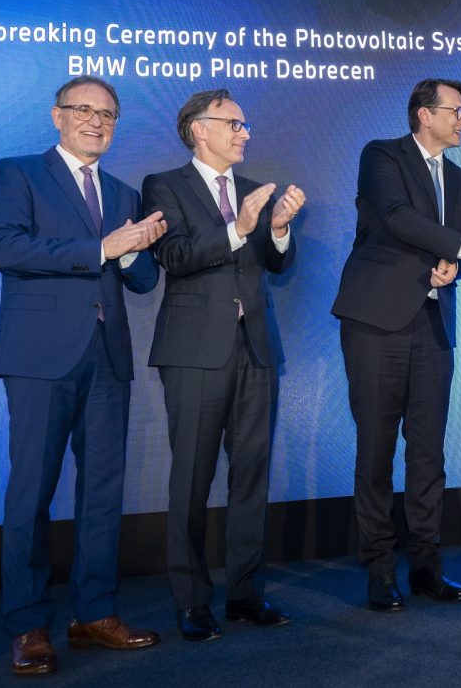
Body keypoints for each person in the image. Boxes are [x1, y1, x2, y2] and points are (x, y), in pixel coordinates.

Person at [0, 75, 165, 675]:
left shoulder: (123, 192)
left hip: (107, 357)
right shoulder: (17, 173)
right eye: (83, 109)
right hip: (39, 357)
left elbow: (143, 280)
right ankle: (27, 624)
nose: (95, 121)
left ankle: (94, 613)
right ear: (57, 116)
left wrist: (132, 250)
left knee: (103, 492)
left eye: (107, 114)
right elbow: (5, 248)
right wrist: (101, 249)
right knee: (30, 493)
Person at [332, 78, 461, 612]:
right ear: (424, 114)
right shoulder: (382, 156)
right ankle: (379, 570)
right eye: (458, 110)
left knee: (429, 452)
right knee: (376, 449)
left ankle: (427, 566)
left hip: (433, 325)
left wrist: (455, 268)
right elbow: (397, 218)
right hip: (376, 322)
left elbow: (460, 257)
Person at [144, 89, 305, 639]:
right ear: (199, 129)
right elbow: (175, 256)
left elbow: (276, 267)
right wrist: (239, 227)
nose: (245, 132)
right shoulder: (164, 186)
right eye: (234, 123)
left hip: (256, 348)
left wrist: (278, 229)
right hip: (194, 352)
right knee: (191, 477)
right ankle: (191, 600)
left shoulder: (255, 191)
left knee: (252, 476)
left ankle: (245, 594)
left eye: (244, 123)